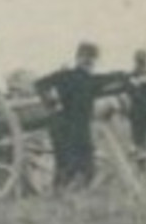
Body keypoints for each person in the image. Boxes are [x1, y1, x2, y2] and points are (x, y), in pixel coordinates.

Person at [35, 42, 128, 192]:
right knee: (74, 162)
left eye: (91, 59)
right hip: (67, 124)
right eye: (87, 58)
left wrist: (49, 102)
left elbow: (40, 84)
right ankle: (66, 190)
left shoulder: (73, 77)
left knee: (72, 162)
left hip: (71, 124)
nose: (89, 62)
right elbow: (40, 84)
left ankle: (66, 190)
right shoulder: (75, 77)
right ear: (80, 58)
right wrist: (49, 102)